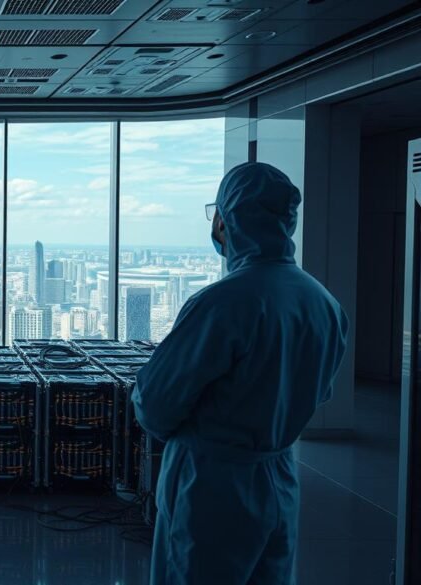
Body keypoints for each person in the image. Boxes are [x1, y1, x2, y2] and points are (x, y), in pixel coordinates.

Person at [132, 162, 349, 585]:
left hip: (212, 484)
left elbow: (156, 406)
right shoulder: (323, 302)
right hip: (280, 477)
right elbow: (319, 393)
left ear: (227, 220)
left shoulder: (222, 303)